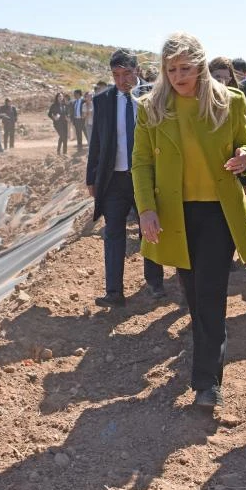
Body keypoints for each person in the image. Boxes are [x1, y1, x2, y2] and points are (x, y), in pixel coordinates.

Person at [133, 33, 246, 408]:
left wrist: (245, 157)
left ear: (201, 67)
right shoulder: (151, 108)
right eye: (171, 69)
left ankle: (207, 383)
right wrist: (146, 209)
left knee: (211, 294)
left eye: (185, 68)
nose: (178, 76)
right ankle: (206, 364)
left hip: (219, 213)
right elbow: (141, 163)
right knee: (194, 295)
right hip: (176, 214)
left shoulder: (230, 102)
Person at [86, 49, 166, 308]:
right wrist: (92, 178)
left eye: (127, 74)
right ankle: (114, 292)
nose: (122, 81)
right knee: (113, 233)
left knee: (149, 231)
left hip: (147, 178)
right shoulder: (103, 101)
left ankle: (155, 283)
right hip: (114, 179)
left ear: (137, 70)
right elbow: (96, 142)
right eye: (116, 75)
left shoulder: (153, 96)